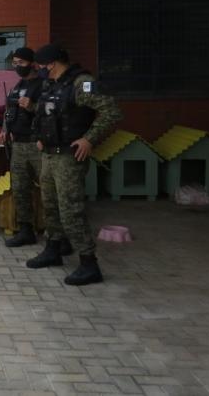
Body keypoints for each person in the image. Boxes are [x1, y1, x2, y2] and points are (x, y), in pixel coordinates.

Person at [26, 44, 122, 286]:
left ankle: (89, 263)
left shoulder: (81, 83)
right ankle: (53, 249)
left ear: (54, 63)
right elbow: (44, 112)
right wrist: (39, 136)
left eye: (42, 66)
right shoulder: (51, 85)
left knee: (71, 210)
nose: (41, 71)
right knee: (50, 205)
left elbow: (111, 111)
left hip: (69, 157)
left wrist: (89, 139)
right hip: (49, 154)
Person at [1, 47, 44, 247]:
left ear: (32, 63)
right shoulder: (17, 86)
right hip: (17, 144)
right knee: (20, 189)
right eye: (14, 63)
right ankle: (25, 230)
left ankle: (57, 235)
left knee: (49, 190)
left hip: (38, 145)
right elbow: (9, 110)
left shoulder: (44, 85)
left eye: (21, 63)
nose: (17, 67)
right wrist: (5, 129)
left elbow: (54, 114)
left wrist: (33, 106)